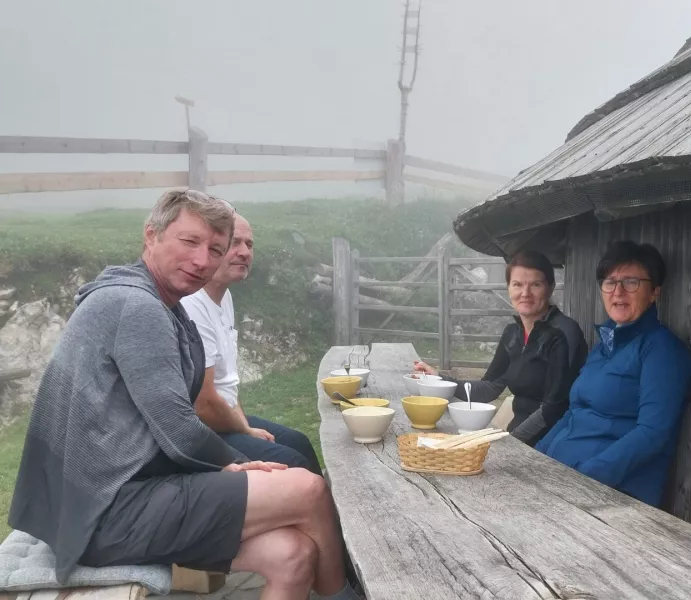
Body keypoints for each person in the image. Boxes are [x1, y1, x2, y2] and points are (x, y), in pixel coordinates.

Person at [7, 189, 360, 600]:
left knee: (291, 554)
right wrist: (233, 463)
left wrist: (228, 465)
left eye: (215, 249)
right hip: (102, 512)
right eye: (190, 242)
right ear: (151, 235)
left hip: (100, 499)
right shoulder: (136, 306)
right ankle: (344, 595)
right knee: (308, 489)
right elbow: (177, 423)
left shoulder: (159, 303)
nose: (202, 261)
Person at [535, 240, 691, 506]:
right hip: (564, 479)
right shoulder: (604, 344)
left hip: (611, 496)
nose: (618, 292)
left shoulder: (662, 350)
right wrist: (538, 457)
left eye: (631, 282)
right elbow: (574, 412)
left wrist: (585, 477)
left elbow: (652, 433)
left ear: (654, 291)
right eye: (610, 283)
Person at [181, 210, 322, 475]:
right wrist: (245, 429)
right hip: (201, 429)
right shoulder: (192, 305)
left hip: (224, 418)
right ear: (213, 248)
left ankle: (329, 514)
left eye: (249, 244)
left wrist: (243, 422)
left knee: (299, 442)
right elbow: (204, 403)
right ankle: (308, 511)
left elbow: (228, 384)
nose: (245, 252)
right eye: (234, 243)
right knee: (294, 464)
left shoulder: (224, 298)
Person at [413, 250, 588, 446]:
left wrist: (511, 442)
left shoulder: (564, 333)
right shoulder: (513, 333)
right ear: (509, 288)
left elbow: (555, 407)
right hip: (519, 435)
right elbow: (489, 388)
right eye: (518, 285)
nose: (525, 293)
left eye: (535, 285)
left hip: (553, 442)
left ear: (550, 288)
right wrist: (439, 378)